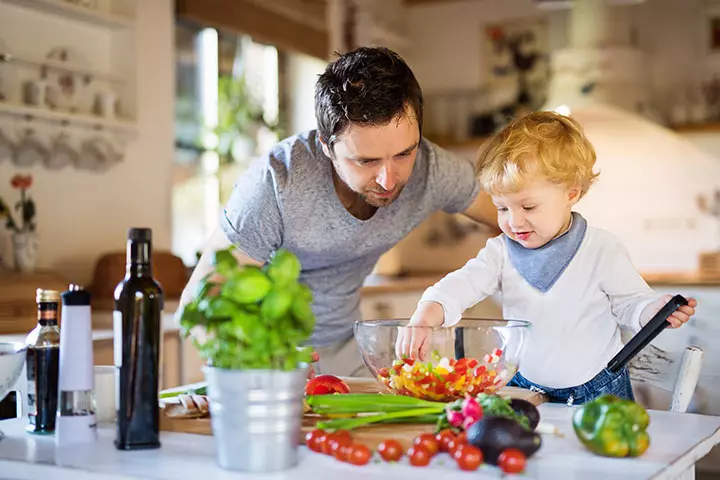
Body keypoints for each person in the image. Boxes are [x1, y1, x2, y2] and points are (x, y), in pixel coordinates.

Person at [176, 46, 500, 377]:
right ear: (327, 146)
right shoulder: (278, 183)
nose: (389, 179)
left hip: (350, 351)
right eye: (366, 161)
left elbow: (516, 219)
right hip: (266, 359)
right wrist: (232, 376)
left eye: (404, 154)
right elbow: (200, 303)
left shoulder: (432, 169)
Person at [396, 111, 697, 404]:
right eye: (502, 208)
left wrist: (655, 311)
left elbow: (632, 304)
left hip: (597, 391)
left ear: (571, 194)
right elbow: (461, 285)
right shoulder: (501, 252)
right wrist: (427, 314)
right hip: (524, 387)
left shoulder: (602, 249)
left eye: (528, 207)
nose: (513, 222)